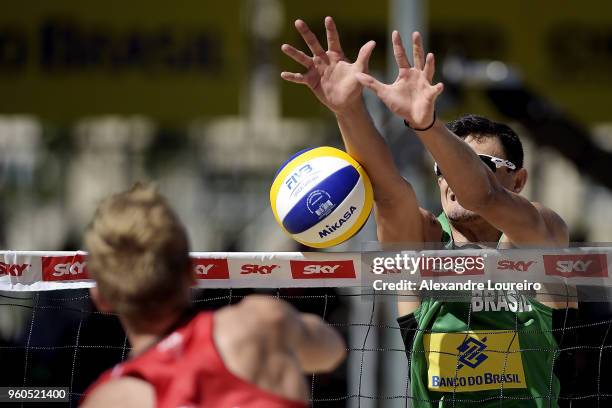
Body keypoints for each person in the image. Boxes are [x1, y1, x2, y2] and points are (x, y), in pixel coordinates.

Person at [282, 17, 577, 407]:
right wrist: (348, 109)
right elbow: (389, 194)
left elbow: (483, 196)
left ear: (518, 181)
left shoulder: (540, 232)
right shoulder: (424, 239)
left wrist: (427, 126)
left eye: (481, 162)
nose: (451, 177)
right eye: (442, 167)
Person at [80, 184, 346, 408]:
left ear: (101, 297)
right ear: (192, 272)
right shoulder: (261, 326)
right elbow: (333, 350)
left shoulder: (110, 398)